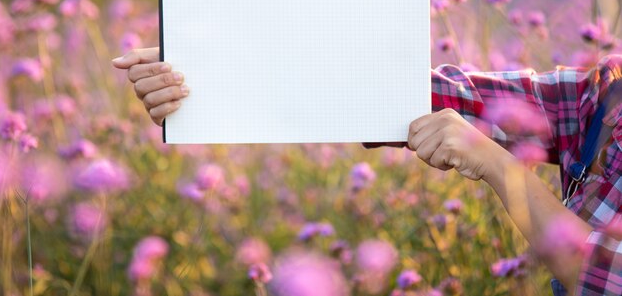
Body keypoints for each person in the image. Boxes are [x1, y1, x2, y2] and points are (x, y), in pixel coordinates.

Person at [113, 47, 622, 295]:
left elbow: (607, 276)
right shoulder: (607, 92)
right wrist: (206, 74)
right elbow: (441, 95)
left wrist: (496, 163)